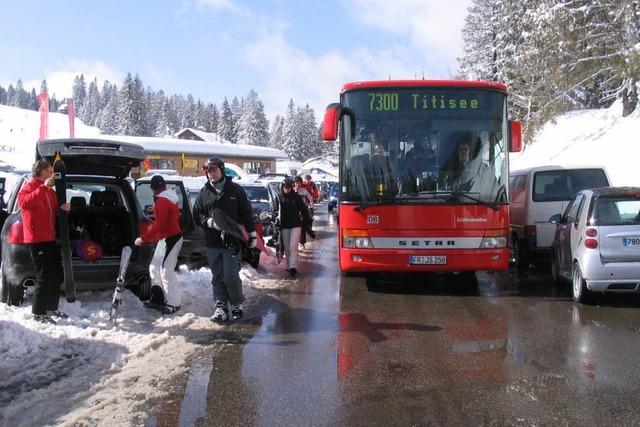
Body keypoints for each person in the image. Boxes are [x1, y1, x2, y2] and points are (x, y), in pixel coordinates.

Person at [192, 157, 256, 323]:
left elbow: (246, 213)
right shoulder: (204, 192)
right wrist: (208, 221)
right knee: (217, 276)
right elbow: (197, 213)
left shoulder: (235, 190)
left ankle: (236, 304)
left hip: (231, 241)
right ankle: (220, 306)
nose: (211, 174)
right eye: (208, 171)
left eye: (214, 170)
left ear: (221, 169)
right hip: (212, 242)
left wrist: (252, 234)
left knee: (230, 275)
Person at [17, 159, 71, 324]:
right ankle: (38, 312)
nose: (52, 174)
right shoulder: (29, 187)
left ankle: (51, 308)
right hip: (36, 240)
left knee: (55, 275)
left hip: (49, 239)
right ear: (41, 171)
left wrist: (65, 209)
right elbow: (25, 203)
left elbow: (55, 210)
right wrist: (43, 187)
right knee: (44, 276)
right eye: (49, 170)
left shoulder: (50, 192)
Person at [135, 175, 183, 314]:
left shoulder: (162, 200)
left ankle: (174, 303)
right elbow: (168, 217)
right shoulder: (167, 198)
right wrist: (155, 211)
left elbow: (160, 224)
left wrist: (143, 238)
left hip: (171, 238)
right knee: (154, 267)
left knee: (166, 270)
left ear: (152, 188)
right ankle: (158, 297)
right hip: (166, 237)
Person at [278, 178, 310, 276]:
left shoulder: (296, 197)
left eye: (288, 188)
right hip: (284, 225)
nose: (287, 190)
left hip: (296, 225)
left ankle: (293, 266)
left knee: (293, 246)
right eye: (285, 188)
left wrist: (306, 219)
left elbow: (304, 209)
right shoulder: (279, 197)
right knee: (287, 247)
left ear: (291, 188)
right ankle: (288, 264)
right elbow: (275, 210)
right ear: (282, 187)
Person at [294, 176, 315, 248]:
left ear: (301, 183)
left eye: (299, 183)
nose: (297, 184)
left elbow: (310, 199)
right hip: (294, 212)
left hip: (303, 211)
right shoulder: (292, 191)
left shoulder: (304, 191)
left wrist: (310, 208)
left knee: (303, 227)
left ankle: (302, 242)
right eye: (296, 183)